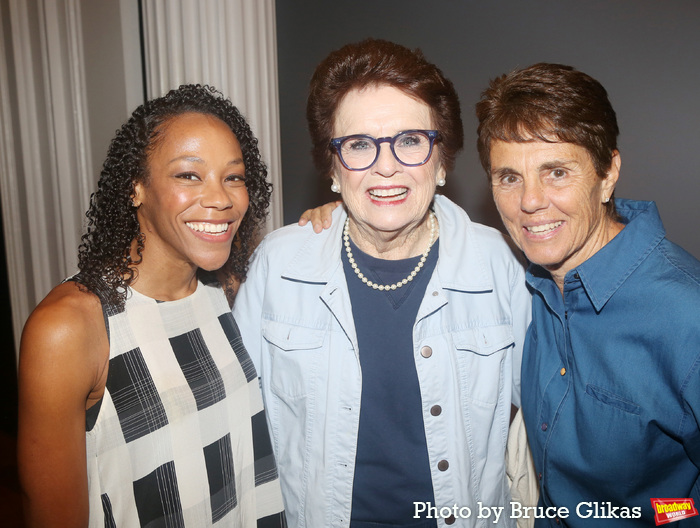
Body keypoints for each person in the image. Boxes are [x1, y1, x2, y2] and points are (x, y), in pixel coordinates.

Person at [233, 39, 531, 528]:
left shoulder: (497, 265)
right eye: (359, 145)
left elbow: (552, 418)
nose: (385, 165)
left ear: (442, 162)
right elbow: (242, 431)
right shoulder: (279, 266)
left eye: (411, 140)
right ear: (333, 168)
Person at [17, 85, 286, 527]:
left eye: (233, 176)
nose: (221, 199)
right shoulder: (70, 328)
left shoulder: (230, 289)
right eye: (188, 175)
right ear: (135, 187)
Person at [476, 63, 700, 526]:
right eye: (509, 177)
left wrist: (656, 516)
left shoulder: (685, 315)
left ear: (608, 172)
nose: (530, 202)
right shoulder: (530, 283)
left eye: (556, 172)